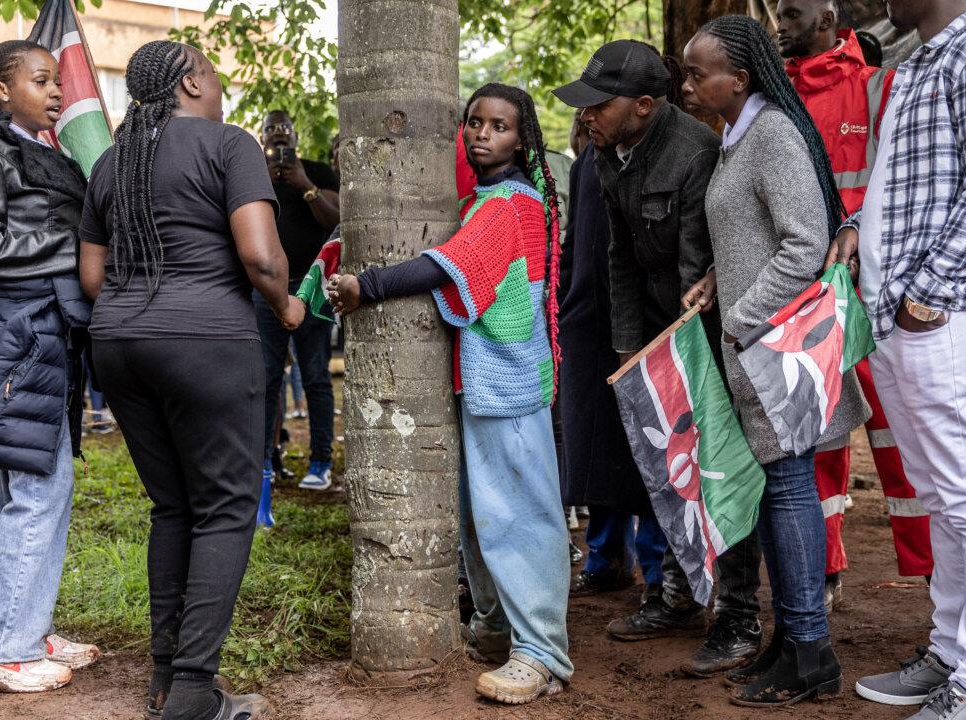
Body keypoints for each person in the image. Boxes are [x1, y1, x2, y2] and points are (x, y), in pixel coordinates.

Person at [79, 40, 304, 720]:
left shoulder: (113, 160)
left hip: (117, 344)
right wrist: (288, 305)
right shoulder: (228, 145)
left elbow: (92, 277)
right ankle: (193, 695)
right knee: (226, 509)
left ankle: (164, 679)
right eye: (214, 72)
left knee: (173, 507)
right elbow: (262, 258)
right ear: (193, 79)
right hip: (207, 343)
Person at [328, 83, 571, 706]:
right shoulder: (482, 198)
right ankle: (495, 627)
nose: (482, 134)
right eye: (474, 122)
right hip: (487, 382)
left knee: (520, 518)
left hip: (511, 385)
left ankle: (541, 651)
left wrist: (370, 284)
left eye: (500, 126)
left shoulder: (511, 205)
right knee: (482, 515)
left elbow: (447, 265)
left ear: (524, 138)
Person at [835, 1, 966, 716]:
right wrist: (860, 229)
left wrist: (928, 294)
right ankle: (951, 657)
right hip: (901, 316)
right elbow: (907, 191)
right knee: (943, 499)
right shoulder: (915, 61)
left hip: (942, 317)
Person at [553, 39, 764, 679]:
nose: (585, 115)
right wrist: (626, 344)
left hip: (704, 327)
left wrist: (681, 343)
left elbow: (704, 259)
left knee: (715, 469)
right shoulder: (607, 153)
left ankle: (738, 615)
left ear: (644, 106)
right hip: (647, 326)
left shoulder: (697, 152)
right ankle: (672, 596)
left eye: (598, 105)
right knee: (659, 464)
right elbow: (618, 256)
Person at [681, 14, 871, 705]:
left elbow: (803, 244)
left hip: (775, 356)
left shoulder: (773, 136)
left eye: (699, 72)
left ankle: (811, 653)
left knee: (790, 492)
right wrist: (715, 283)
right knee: (778, 493)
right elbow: (754, 240)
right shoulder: (739, 138)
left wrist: (741, 315)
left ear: (741, 77)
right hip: (754, 352)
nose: (689, 83)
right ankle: (791, 642)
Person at [777, 0, 934, 599]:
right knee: (816, 438)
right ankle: (820, 574)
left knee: (904, 440)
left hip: (875, 294)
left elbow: (902, 183)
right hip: (803, 297)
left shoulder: (878, 88)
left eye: (792, 13)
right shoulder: (774, 99)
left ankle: (936, 583)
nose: (781, 25)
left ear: (829, 16)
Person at [0, 39, 101, 693]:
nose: (57, 91)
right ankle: (0, 649)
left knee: (28, 487)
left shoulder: (38, 151)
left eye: (57, 80)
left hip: (45, 338)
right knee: (36, 490)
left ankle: (19, 626)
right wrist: (77, 247)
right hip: (18, 336)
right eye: (42, 81)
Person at [556, 107, 667, 599]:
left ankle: (660, 574)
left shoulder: (665, 156)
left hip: (647, 324)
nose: (587, 118)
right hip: (589, 324)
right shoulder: (587, 161)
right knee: (599, 446)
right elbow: (575, 243)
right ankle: (606, 559)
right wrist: (564, 305)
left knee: (654, 450)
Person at [257, 110, 341, 492]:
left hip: (312, 290)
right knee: (266, 380)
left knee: (316, 378)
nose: (277, 136)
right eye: (270, 130)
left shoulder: (318, 172)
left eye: (283, 129)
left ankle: (320, 459)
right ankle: (266, 461)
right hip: (265, 292)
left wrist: (304, 184)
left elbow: (334, 219)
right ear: (261, 139)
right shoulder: (251, 173)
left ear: (295, 136)